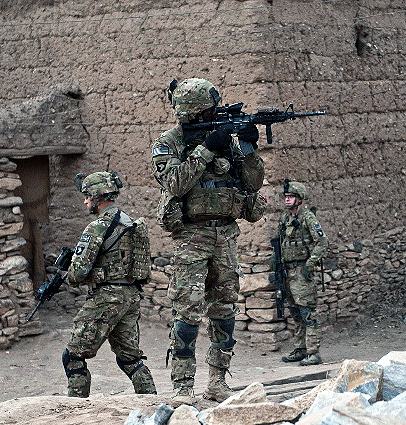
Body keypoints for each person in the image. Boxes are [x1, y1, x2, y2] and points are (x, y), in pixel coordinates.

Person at [151, 78, 265, 403]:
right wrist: (206, 148)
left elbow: (254, 182)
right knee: (187, 313)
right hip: (192, 236)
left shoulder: (226, 142)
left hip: (226, 234)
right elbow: (174, 183)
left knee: (225, 309)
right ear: (196, 114)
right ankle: (183, 388)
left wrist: (249, 148)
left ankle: (217, 381)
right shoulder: (169, 143)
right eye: (211, 111)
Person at [63, 171, 156, 398]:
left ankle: (74, 409)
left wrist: (68, 274)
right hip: (130, 296)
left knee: (73, 356)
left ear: (97, 196)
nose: (85, 201)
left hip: (107, 297)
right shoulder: (129, 222)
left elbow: (78, 272)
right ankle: (154, 403)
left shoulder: (97, 228)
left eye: (87, 196)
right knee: (130, 359)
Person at [276, 179, 328, 366]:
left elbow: (322, 242)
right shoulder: (285, 219)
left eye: (291, 197)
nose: (287, 200)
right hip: (287, 272)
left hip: (301, 272)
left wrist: (310, 264)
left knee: (307, 313)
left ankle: (313, 353)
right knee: (296, 313)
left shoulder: (308, 218)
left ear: (300, 199)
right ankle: (300, 349)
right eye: (286, 197)